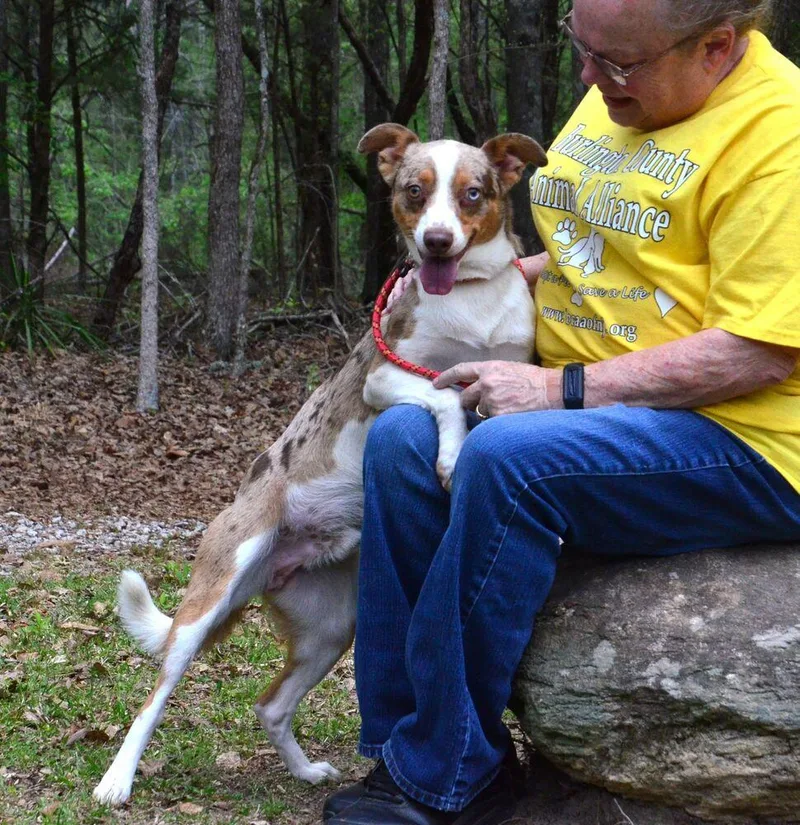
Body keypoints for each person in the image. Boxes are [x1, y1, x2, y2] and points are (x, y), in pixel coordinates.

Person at [322, 0, 800, 822]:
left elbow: (763, 348)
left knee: (509, 458)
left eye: (613, 63)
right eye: (582, 50)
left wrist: (556, 390)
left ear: (717, 46)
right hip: (608, 399)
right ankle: (409, 741)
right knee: (403, 436)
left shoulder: (777, 141)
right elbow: (600, 250)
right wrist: (488, 275)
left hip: (746, 434)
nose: (588, 77)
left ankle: (445, 779)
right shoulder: (627, 88)